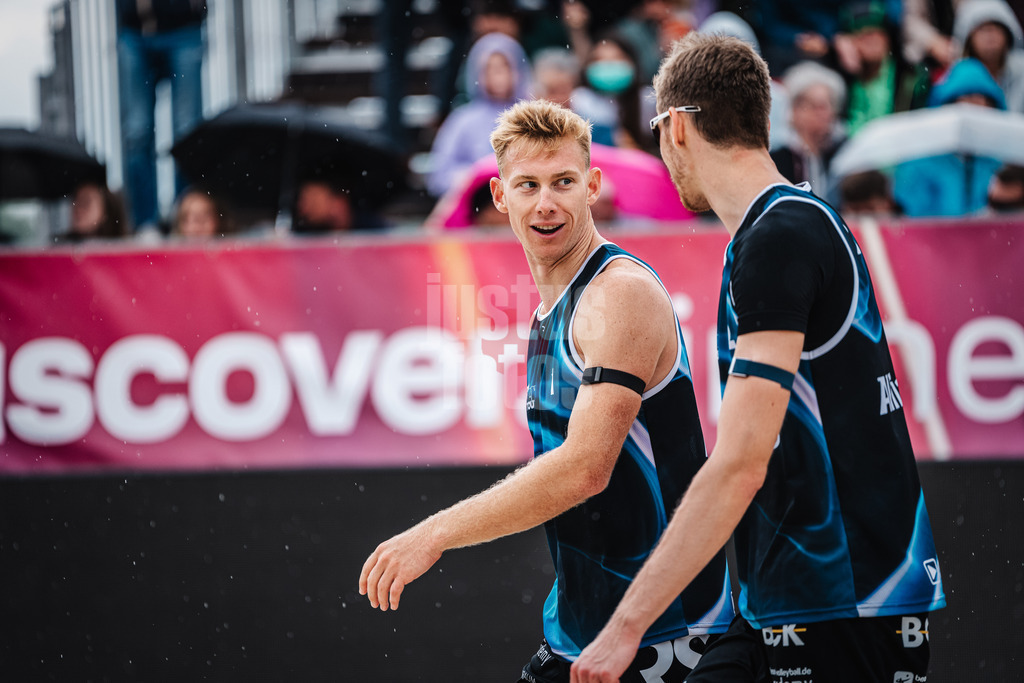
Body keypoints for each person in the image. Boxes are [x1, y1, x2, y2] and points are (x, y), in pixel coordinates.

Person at [571, 32, 946, 683]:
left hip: (843, 603)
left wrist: (626, 625)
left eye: (660, 130)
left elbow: (741, 460)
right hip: (793, 599)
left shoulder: (780, 235)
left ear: (679, 127)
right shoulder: (785, 224)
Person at [359, 99, 733, 681]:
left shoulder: (619, 294)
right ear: (501, 197)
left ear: (593, 186)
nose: (546, 202)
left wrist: (435, 533)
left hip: (668, 635)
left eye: (563, 181)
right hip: (582, 634)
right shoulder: (546, 315)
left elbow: (585, 469)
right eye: (527, 185)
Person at [115, 0, 207, 234]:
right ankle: (145, 225)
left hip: (184, 26)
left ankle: (186, 222)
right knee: (137, 132)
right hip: (134, 29)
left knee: (187, 132)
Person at [892, 57, 1008, 217]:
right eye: (967, 98)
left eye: (983, 100)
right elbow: (912, 220)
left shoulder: (1005, 163)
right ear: (947, 106)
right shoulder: (919, 161)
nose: (976, 106)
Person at [426, 31, 533, 198]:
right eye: (490, 69)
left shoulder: (532, 116)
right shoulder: (462, 119)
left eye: (504, 67)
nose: (498, 76)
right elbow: (440, 174)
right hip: (478, 205)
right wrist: (476, 176)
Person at [836, 1, 932, 135]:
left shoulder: (912, 77)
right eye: (863, 35)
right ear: (851, 42)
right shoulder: (841, 80)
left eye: (878, 32)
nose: (872, 40)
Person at [770, 61, 848, 200]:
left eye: (830, 105)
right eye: (817, 106)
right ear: (795, 110)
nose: (825, 114)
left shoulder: (841, 153)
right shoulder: (778, 159)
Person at [953, 0, 1024, 113]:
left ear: (1008, 34)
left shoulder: (1021, 72)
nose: (990, 37)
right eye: (983, 30)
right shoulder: (959, 76)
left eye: (996, 29)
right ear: (969, 37)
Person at [53, 181, 128, 244]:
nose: (77, 207)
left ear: (106, 210)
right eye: (75, 199)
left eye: (86, 202)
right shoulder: (56, 248)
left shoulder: (126, 249)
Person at [839, 169, 904, 216]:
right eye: (856, 210)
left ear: (888, 203)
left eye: (869, 209)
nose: (864, 216)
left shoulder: (910, 229)